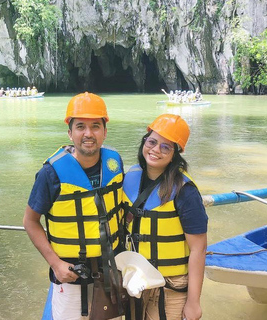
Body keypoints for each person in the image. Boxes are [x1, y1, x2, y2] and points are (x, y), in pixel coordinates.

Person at [23, 92, 125, 319]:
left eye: (95, 126)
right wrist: (55, 263)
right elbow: (30, 221)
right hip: (71, 276)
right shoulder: (50, 174)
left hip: (111, 272)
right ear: (70, 132)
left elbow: (121, 209)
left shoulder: (114, 163)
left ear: (105, 132)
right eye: (80, 126)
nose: (88, 134)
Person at [122, 114, 208, 320]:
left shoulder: (185, 191)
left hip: (170, 284)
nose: (155, 150)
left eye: (165, 147)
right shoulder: (129, 179)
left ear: (175, 155)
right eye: (152, 142)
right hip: (134, 278)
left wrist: (193, 302)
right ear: (144, 141)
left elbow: (199, 249)